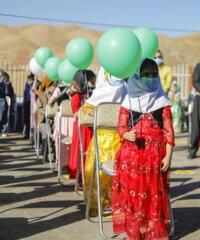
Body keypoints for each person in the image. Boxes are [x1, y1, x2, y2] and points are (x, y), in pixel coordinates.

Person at [111, 58, 174, 240]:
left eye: (154, 75)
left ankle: (154, 232)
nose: (150, 78)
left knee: (154, 194)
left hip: (155, 157)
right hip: (131, 156)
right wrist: (125, 135)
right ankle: (134, 232)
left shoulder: (163, 103)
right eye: (146, 75)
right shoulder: (128, 101)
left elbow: (169, 133)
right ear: (137, 77)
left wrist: (167, 157)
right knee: (134, 195)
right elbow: (120, 127)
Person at [83, 66, 127, 215]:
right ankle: (99, 205)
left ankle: (118, 204)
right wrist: (103, 116)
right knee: (99, 175)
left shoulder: (126, 92)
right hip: (104, 140)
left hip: (122, 140)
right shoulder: (100, 94)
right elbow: (85, 111)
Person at [68, 70, 95, 180]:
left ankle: (88, 174)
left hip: (89, 127)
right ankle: (80, 175)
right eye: (92, 83)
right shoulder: (77, 96)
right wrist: (87, 111)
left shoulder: (90, 94)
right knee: (82, 149)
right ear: (84, 81)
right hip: (82, 127)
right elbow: (75, 114)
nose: (94, 85)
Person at [23, 74, 35, 138]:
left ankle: (31, 134)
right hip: (27, 103)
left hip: (31, 103)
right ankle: (27, 133)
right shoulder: (27, 85)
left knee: (32, 119)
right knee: (27, 119)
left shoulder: (34, 84)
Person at [0, 70, 8, 137]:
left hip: (3, 101)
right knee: (0, 116)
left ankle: (4, 130)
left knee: (4, 116)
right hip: (1, 100)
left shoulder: (3, 83)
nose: (4, 77)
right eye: (3, 76)